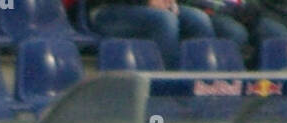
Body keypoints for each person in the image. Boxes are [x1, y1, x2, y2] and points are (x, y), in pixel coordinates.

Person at [87, 0, 215, 68]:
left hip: (152, 8)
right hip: (107, 10)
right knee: (165, 20)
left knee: (199, 19)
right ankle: (169, 86)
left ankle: (203, 85)